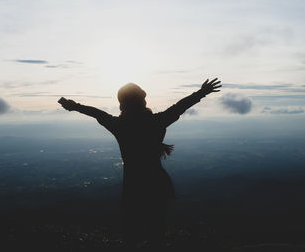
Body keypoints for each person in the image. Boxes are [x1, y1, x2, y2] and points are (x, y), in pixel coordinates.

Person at [58, 78, 221, 250]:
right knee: (156, 234)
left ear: (122, 104)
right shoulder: (157, 121)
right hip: (157, 184)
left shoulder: (119, 125)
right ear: (142, 101)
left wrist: (73, 106)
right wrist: (202, 92)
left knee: (131, 235)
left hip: (133, 187)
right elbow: (180, 106)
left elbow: (97, 113)